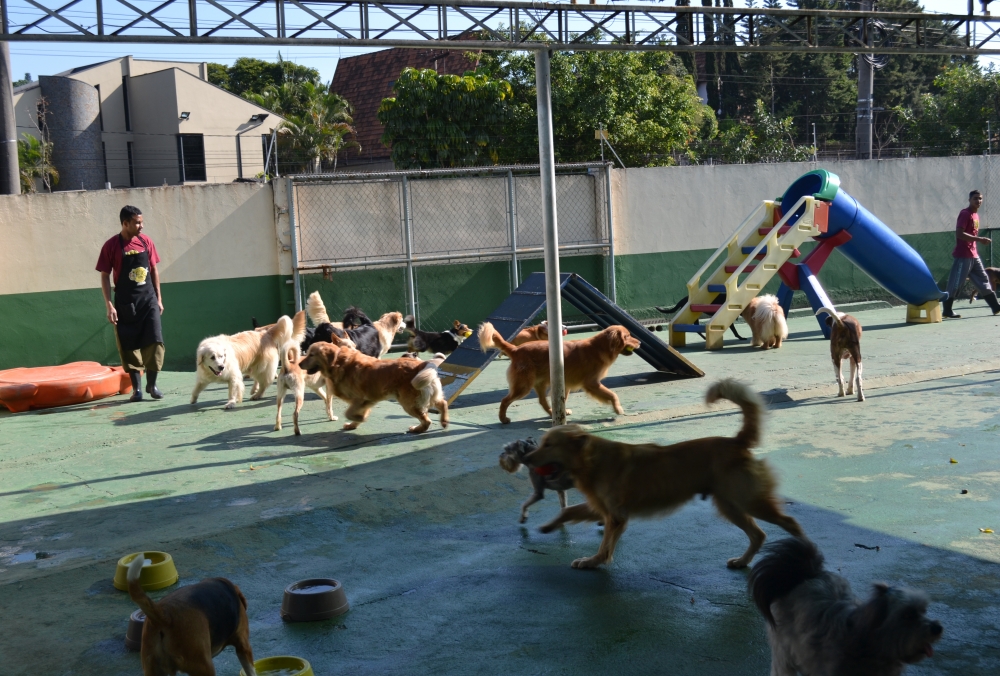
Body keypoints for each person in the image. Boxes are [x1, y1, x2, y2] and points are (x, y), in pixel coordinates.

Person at [96, 205, 165, 400]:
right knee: (129, 344)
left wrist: (158, 299)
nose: (141, 226)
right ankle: (137, 389)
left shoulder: (146, 242)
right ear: (125, 223)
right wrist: (109, 304)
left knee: (155, 340)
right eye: (137, 222)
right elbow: (104, 276)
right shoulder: (111, 246)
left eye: (141, 222)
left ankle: (152, 385)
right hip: (126, 303)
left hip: (148, 300)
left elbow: (153, 270)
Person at [943, 190, 1000, 319]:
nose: (978, 201)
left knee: (984, 281)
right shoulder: (965, 214)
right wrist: (980, 239)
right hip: (963, 256)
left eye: (980, 199)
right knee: (956, 283)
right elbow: (959, 234)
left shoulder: (976, 215)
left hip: (974, 255)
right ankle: (947, 310)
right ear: (969, 200)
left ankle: (996, 307)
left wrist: (977, 242)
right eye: (975, 198)